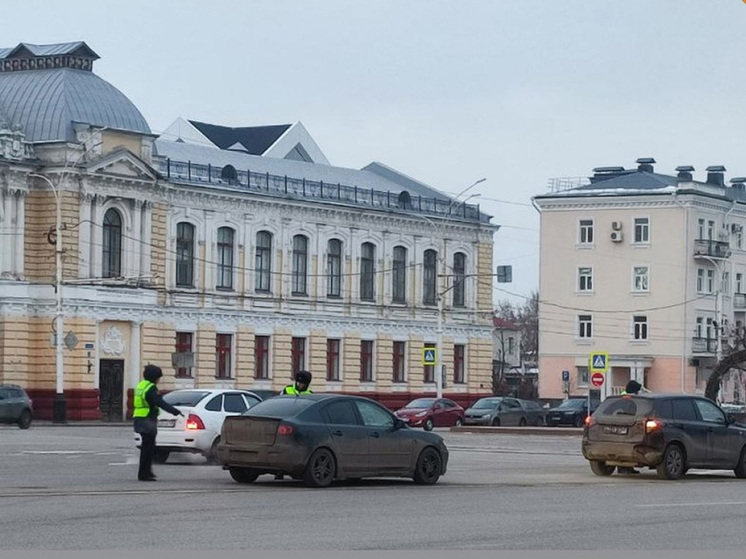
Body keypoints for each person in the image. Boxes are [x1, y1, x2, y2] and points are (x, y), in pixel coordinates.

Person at [133, 364, 183, 482]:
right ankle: (145, 474)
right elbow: (159, 402)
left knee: (146, 447)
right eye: (159, 377)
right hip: (148, 419)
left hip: (139, 418)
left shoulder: (141, 385)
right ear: (154, 377)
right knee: (148, 448)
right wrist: (175, 411)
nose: (159, 379)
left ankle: (145, 472)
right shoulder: (151, 388)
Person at [275, 370, 313, 480]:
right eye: (298, 382)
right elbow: (279, 404)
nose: (299, 385)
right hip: (285, 421)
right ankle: (279, 472)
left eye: (302, 383)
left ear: (307, 384)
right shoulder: (287, 390)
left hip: (299, 424)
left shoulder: (309, 394)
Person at [618, 380, 643, 474]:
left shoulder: (621, 396)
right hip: (627, 425)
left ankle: (624, 468)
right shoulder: (629, 399)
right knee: (627, 448)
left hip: (620, 425)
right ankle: (625, 468)